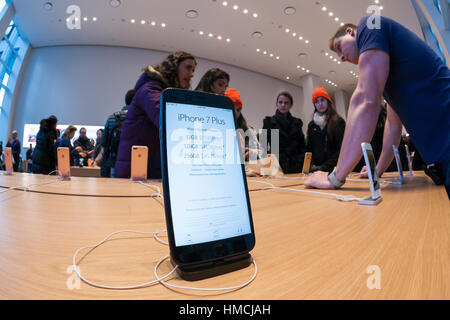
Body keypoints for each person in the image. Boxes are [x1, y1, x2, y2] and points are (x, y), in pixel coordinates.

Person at [305, 15, 450, 198]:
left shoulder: (370, 25)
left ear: (350, 32)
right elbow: (393, 125)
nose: (341, 58)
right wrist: (377, 170)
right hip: (442, 156)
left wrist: (334, 178)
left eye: (339, 48)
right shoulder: (389, 80)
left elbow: (366, 100)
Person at [115, 51, 197, 179]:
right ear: (173, 67)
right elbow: (166, 121)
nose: (192, 74)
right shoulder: (151, 89)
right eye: (188, 68)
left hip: (146, 168)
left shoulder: (163, 91)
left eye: (193, 70)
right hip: (135, 171)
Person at [263, 92, 306, 174]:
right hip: (276, 167)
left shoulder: (297, 123)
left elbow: (302, 146)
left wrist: (300, 160)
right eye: (280, 102)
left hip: (295, 166)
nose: (283, 105)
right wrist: (268, 164)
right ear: (276, 104)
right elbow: (263, 146)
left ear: (291, 105)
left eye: (286, 103)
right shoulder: (268, 122)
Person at [306, 88, 346, 173]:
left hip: (334, 169)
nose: (320, 104)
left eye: (322, 100)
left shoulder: (338, 122)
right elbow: (309, 149)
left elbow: (342, 148)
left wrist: (324, 167)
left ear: (328, 101)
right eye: (316, 101)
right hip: (315, 170)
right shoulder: (311, 125)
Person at [98, 89, 135, 177]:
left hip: (114, 163)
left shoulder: (112, 118)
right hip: (134, 164)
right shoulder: (139, 118)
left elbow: (104, 143)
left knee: (114, 188)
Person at [225, 88, 261, 161]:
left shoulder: (248, 131)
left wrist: (253, 153)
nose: (235, 113)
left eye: (238, 110)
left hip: (248, 170)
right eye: (231, 108)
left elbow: (261, 153)